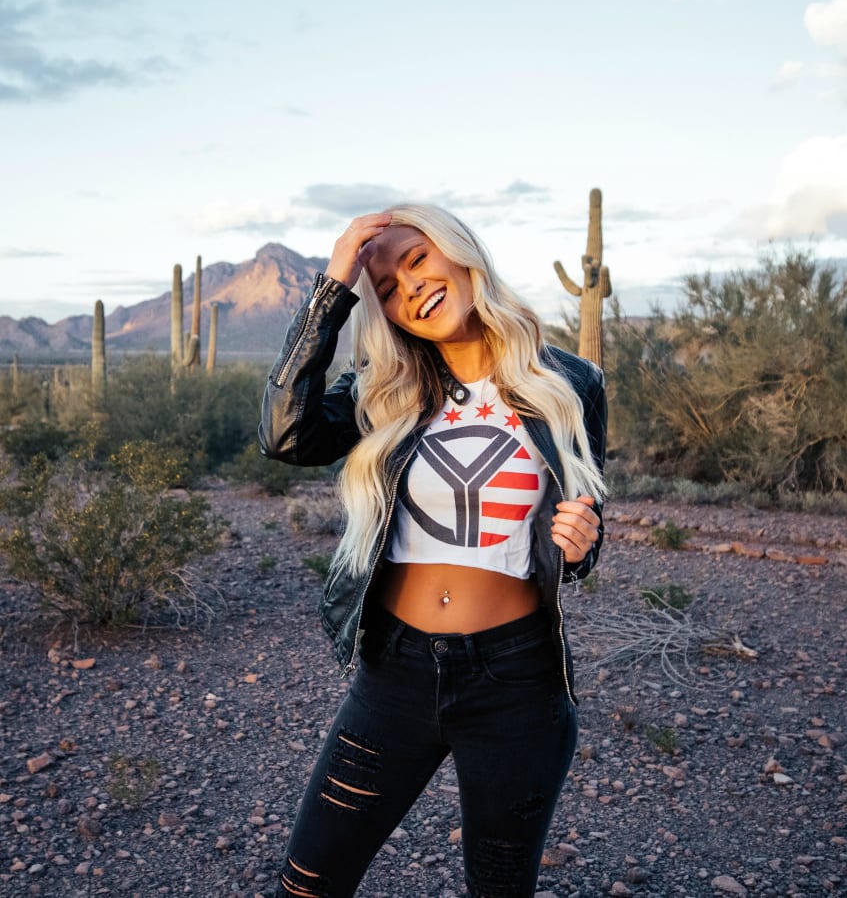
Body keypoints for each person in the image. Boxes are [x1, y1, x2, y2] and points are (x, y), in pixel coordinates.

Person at [259, 205, 607, 898]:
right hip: (396, 673)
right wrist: (335, 284)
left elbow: (582, 523)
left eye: (417, 260)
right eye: (386, 286)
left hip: (517, 677)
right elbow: (284, 434)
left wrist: (582, 543)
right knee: (306, 885)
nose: (409, 286)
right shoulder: (383, 394)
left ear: (459, 253)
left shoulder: (571, 383)